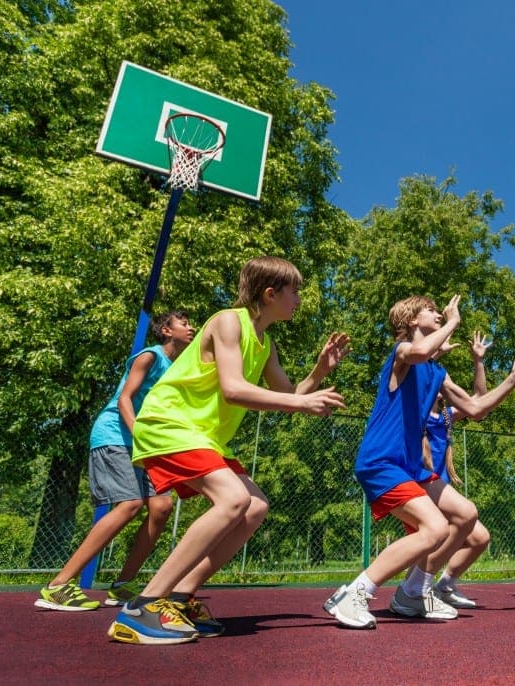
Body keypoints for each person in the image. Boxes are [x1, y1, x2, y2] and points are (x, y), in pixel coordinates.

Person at [107, 256, 348, 645]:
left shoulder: (265, 343)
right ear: (270, 294)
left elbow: (287, 396)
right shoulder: (227, 321)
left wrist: (319, 372)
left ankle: (182, 596)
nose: (299, 299)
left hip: (201, 436)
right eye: (295, 291)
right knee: (234, 499)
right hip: (170, 424)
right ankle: (142, 606)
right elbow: (235, 389)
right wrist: (302, 403)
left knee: (255, 507)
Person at [323, 295, 515, 629]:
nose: (438, 313)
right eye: (430, 310)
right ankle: (354, 593)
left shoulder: (436, 373)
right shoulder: (401, 353)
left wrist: (512, 381)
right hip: (382, 461)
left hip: (411, 467)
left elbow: (475, 409)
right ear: (412, 321)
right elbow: (419, 351)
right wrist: (454, 320)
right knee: (435, 527)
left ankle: (412, 591)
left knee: (466, 515)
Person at [35, 311, 195, 612]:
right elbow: (125, 399)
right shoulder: (149, 357)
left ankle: (123, 585)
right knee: (130, 504)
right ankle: (59, 586)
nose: (191, 328)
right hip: (115, 436)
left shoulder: (177, 368)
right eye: (183, 323)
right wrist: (139, 435)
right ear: (165, 330)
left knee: (161, 507)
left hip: (143, 444)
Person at [400, 330, 493, 610]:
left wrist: (478, 361)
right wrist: (433, 355)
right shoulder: (416, 411)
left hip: (441, 489)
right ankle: (413, 590)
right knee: (431, 541)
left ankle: (443, 585)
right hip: (420, 487)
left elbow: (479, 399)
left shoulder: (446, 417)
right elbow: (413, 373)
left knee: (480, 538)